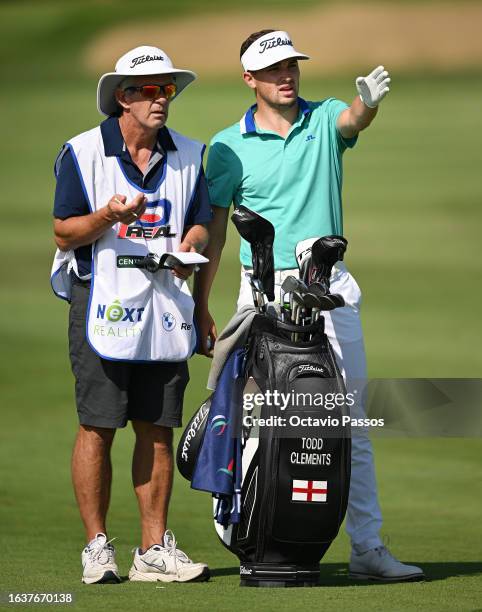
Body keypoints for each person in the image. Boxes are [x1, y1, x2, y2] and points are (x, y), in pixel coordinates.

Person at [195, 30, 424, 581]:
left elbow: (350, 122)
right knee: (254, 421)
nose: (287, 75)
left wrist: (366, 103)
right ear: (250, 79)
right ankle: (250, 533)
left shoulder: (322, 119)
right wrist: (201, 304)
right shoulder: (227, 146)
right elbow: (219, 234)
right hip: (262, 290)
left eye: (292, 65)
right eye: (273, 69)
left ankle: (366, 547)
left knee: (350, 420)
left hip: (328, 285)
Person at [51, 45, 212, 584]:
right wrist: (107, 216)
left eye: (166, 89)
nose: (160, 98)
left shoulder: (190, 153)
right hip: (101, 304)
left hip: (164, 306)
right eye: (148, 89)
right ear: (122, 97)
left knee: (158, 428)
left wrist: (192, 242)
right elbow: (63, 230)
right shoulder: (82, 152)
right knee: (98, 426)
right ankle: (97, 548)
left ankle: (152, 550)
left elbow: (200, 221)